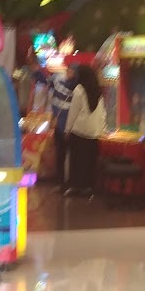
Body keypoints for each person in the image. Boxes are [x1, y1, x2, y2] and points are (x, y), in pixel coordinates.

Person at [64, 64, 106, 197]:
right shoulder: (98, 91)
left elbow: (73, 112)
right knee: (89, 161)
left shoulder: (79, 89)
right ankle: (88, 187)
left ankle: (75, 186)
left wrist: (67, 129)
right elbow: (102, 113)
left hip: (79, 131)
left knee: (76, 161)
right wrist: (102, 129)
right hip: (93, 133)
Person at [49, 64, 75, 188]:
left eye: (72, 71)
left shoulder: (74, 88)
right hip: (61, 125)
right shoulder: (61, 82)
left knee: (64, 154)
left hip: (67, 126)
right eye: (69, 70)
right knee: (61, 154)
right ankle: (62, 182)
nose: (69, 73)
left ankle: (64, 182)